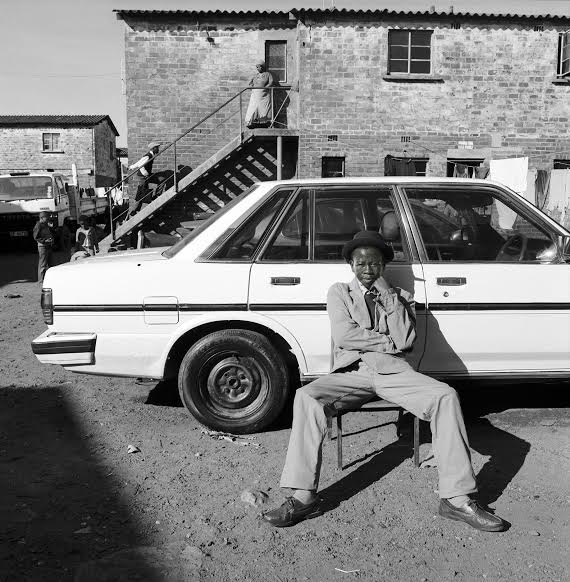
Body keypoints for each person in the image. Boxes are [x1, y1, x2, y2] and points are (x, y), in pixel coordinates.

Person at [263, 230, 506, 532]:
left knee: (445, 396)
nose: (368, 269)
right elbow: (344, 335)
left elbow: (406, 340)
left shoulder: (402, 297)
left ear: (384, 265)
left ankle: (456, 499)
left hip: (394, 373)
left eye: (374, 263)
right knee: (306, 397)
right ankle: (303, 497)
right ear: (351, 265)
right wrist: (388, 342)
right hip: (352, 372)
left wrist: (389, 297)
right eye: (361, 263)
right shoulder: (339, 292)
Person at [127, 141, 162, 218]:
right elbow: (141, 165)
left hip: (146, 176)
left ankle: (156, 195)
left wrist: (131, 167)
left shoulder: (150, 155)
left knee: (161, 180)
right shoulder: (148, 156)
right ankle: (133, 211)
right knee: (141, 193)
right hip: (143, 177)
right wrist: (146, 174)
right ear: (153, 148)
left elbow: (138, 162)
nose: (158, 149)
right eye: (157, 148)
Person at [245, 61, 274, 128]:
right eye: (256, 67)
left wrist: (265, 88)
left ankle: (264, 122)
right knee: (253, 107)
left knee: (264, 108)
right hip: (255, 94)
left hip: (264, 94)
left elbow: (271, 82)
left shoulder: (268, 74)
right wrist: (252, 88)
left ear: (262, 67)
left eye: (258, 67)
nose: (257, 68)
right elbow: (250, 83)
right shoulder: (255, 75)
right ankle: (252, 122)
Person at [33, 212, 54, 285]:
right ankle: (41, 281)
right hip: (42, 247)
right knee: (43, 264)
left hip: (48, 246)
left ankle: (50, 278)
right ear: (42, 218)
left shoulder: (45, 224)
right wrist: (45, 240)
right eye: (47, 217)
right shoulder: (38, 225)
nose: (48, 219)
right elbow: (36, 237)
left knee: (50, 263)